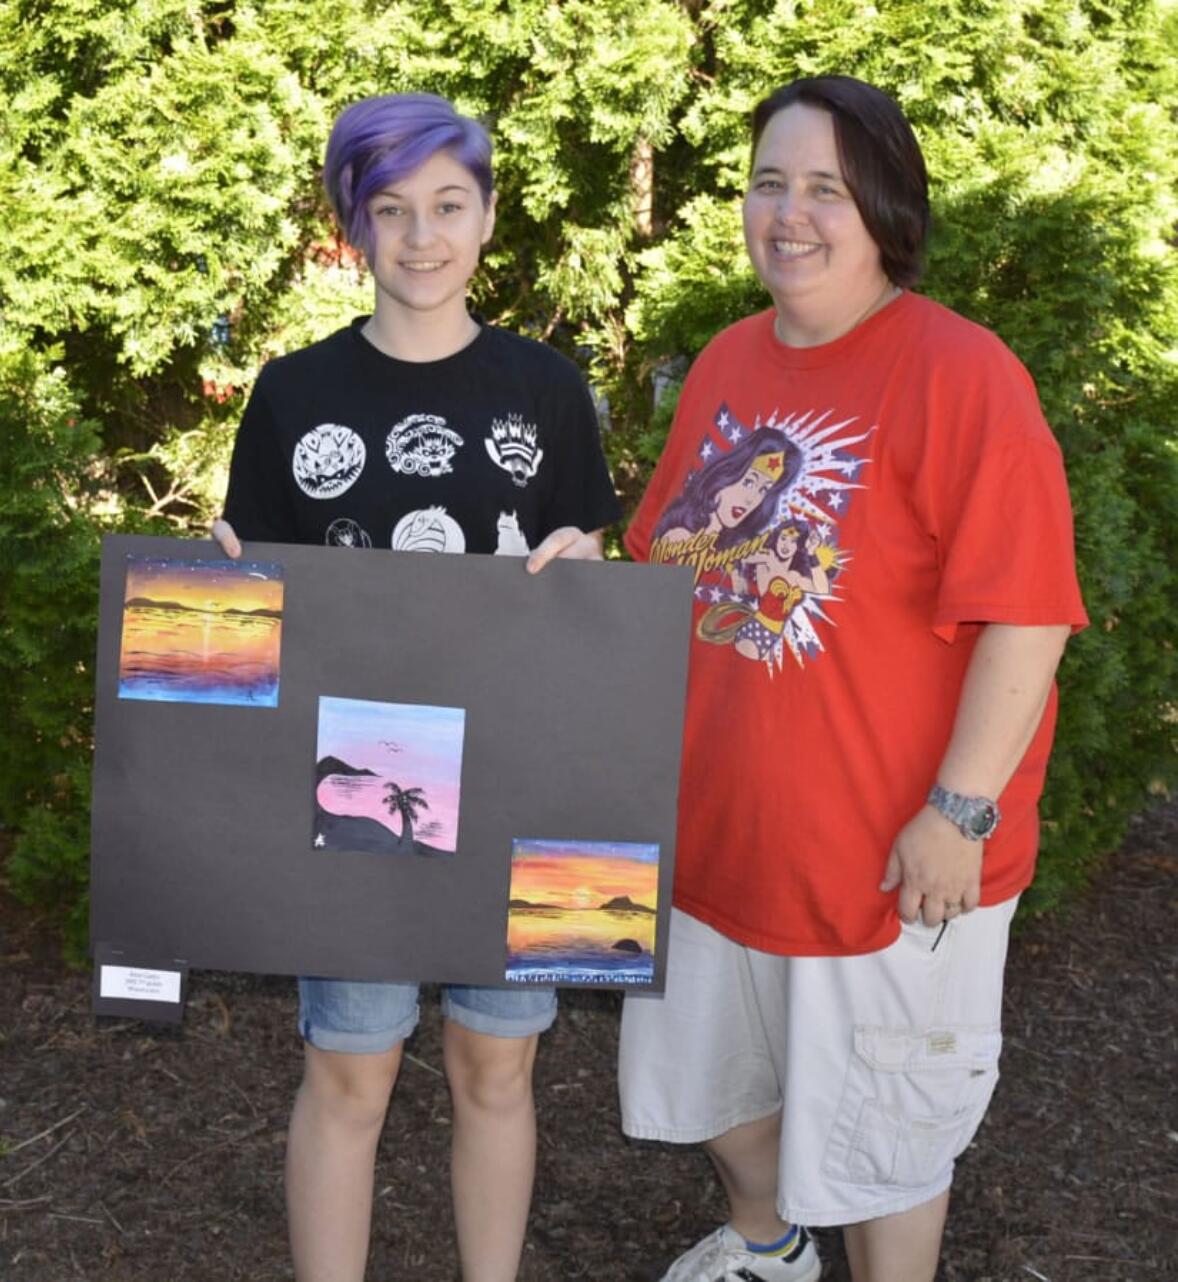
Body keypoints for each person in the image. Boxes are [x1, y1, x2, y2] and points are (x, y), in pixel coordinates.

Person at [618, 75, 1086, 1282]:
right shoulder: (726, 362)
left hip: (891, 863)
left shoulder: (959, 374)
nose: (789, 213)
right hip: (718, 844)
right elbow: (664, 573)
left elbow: (1026, 619)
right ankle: (768, 1249)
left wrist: (957, 811)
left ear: (882, 205)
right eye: (769, 182)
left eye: (824, 187)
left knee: (886, 1150)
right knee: (710, 1095)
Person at [212, 93, 622, 1282]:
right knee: (349, 1065)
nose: (421, 237)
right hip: (358, 783)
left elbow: (583, 594)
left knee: (497, 1065)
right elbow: (257, 613)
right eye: (389, 210)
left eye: (448, 205)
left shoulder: (546, 389)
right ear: (353, 227)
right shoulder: (293, 393)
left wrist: (589, 571)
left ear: (488, 217)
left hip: (518, 778)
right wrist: (226, 579)